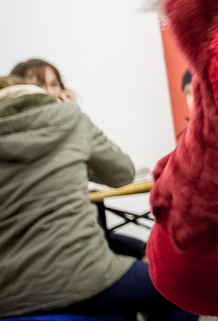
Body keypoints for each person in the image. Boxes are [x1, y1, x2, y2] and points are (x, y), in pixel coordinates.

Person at [0, 75, 197, 321]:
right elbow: (121, 173)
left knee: (129, 251)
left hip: (7, 297)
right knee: (186, 286)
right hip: (82, 280)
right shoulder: (69, 119)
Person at [11, 58, 148, 260]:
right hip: (59, 249)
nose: (50, 92)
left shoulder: (61, 133)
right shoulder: (28, 141)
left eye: (54, 85)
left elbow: (116, 171)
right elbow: (123, 173)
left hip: (71, 242)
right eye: (39, 86)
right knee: (148, 257)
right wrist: (76, 116)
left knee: (144, 248)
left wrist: (74, 118)